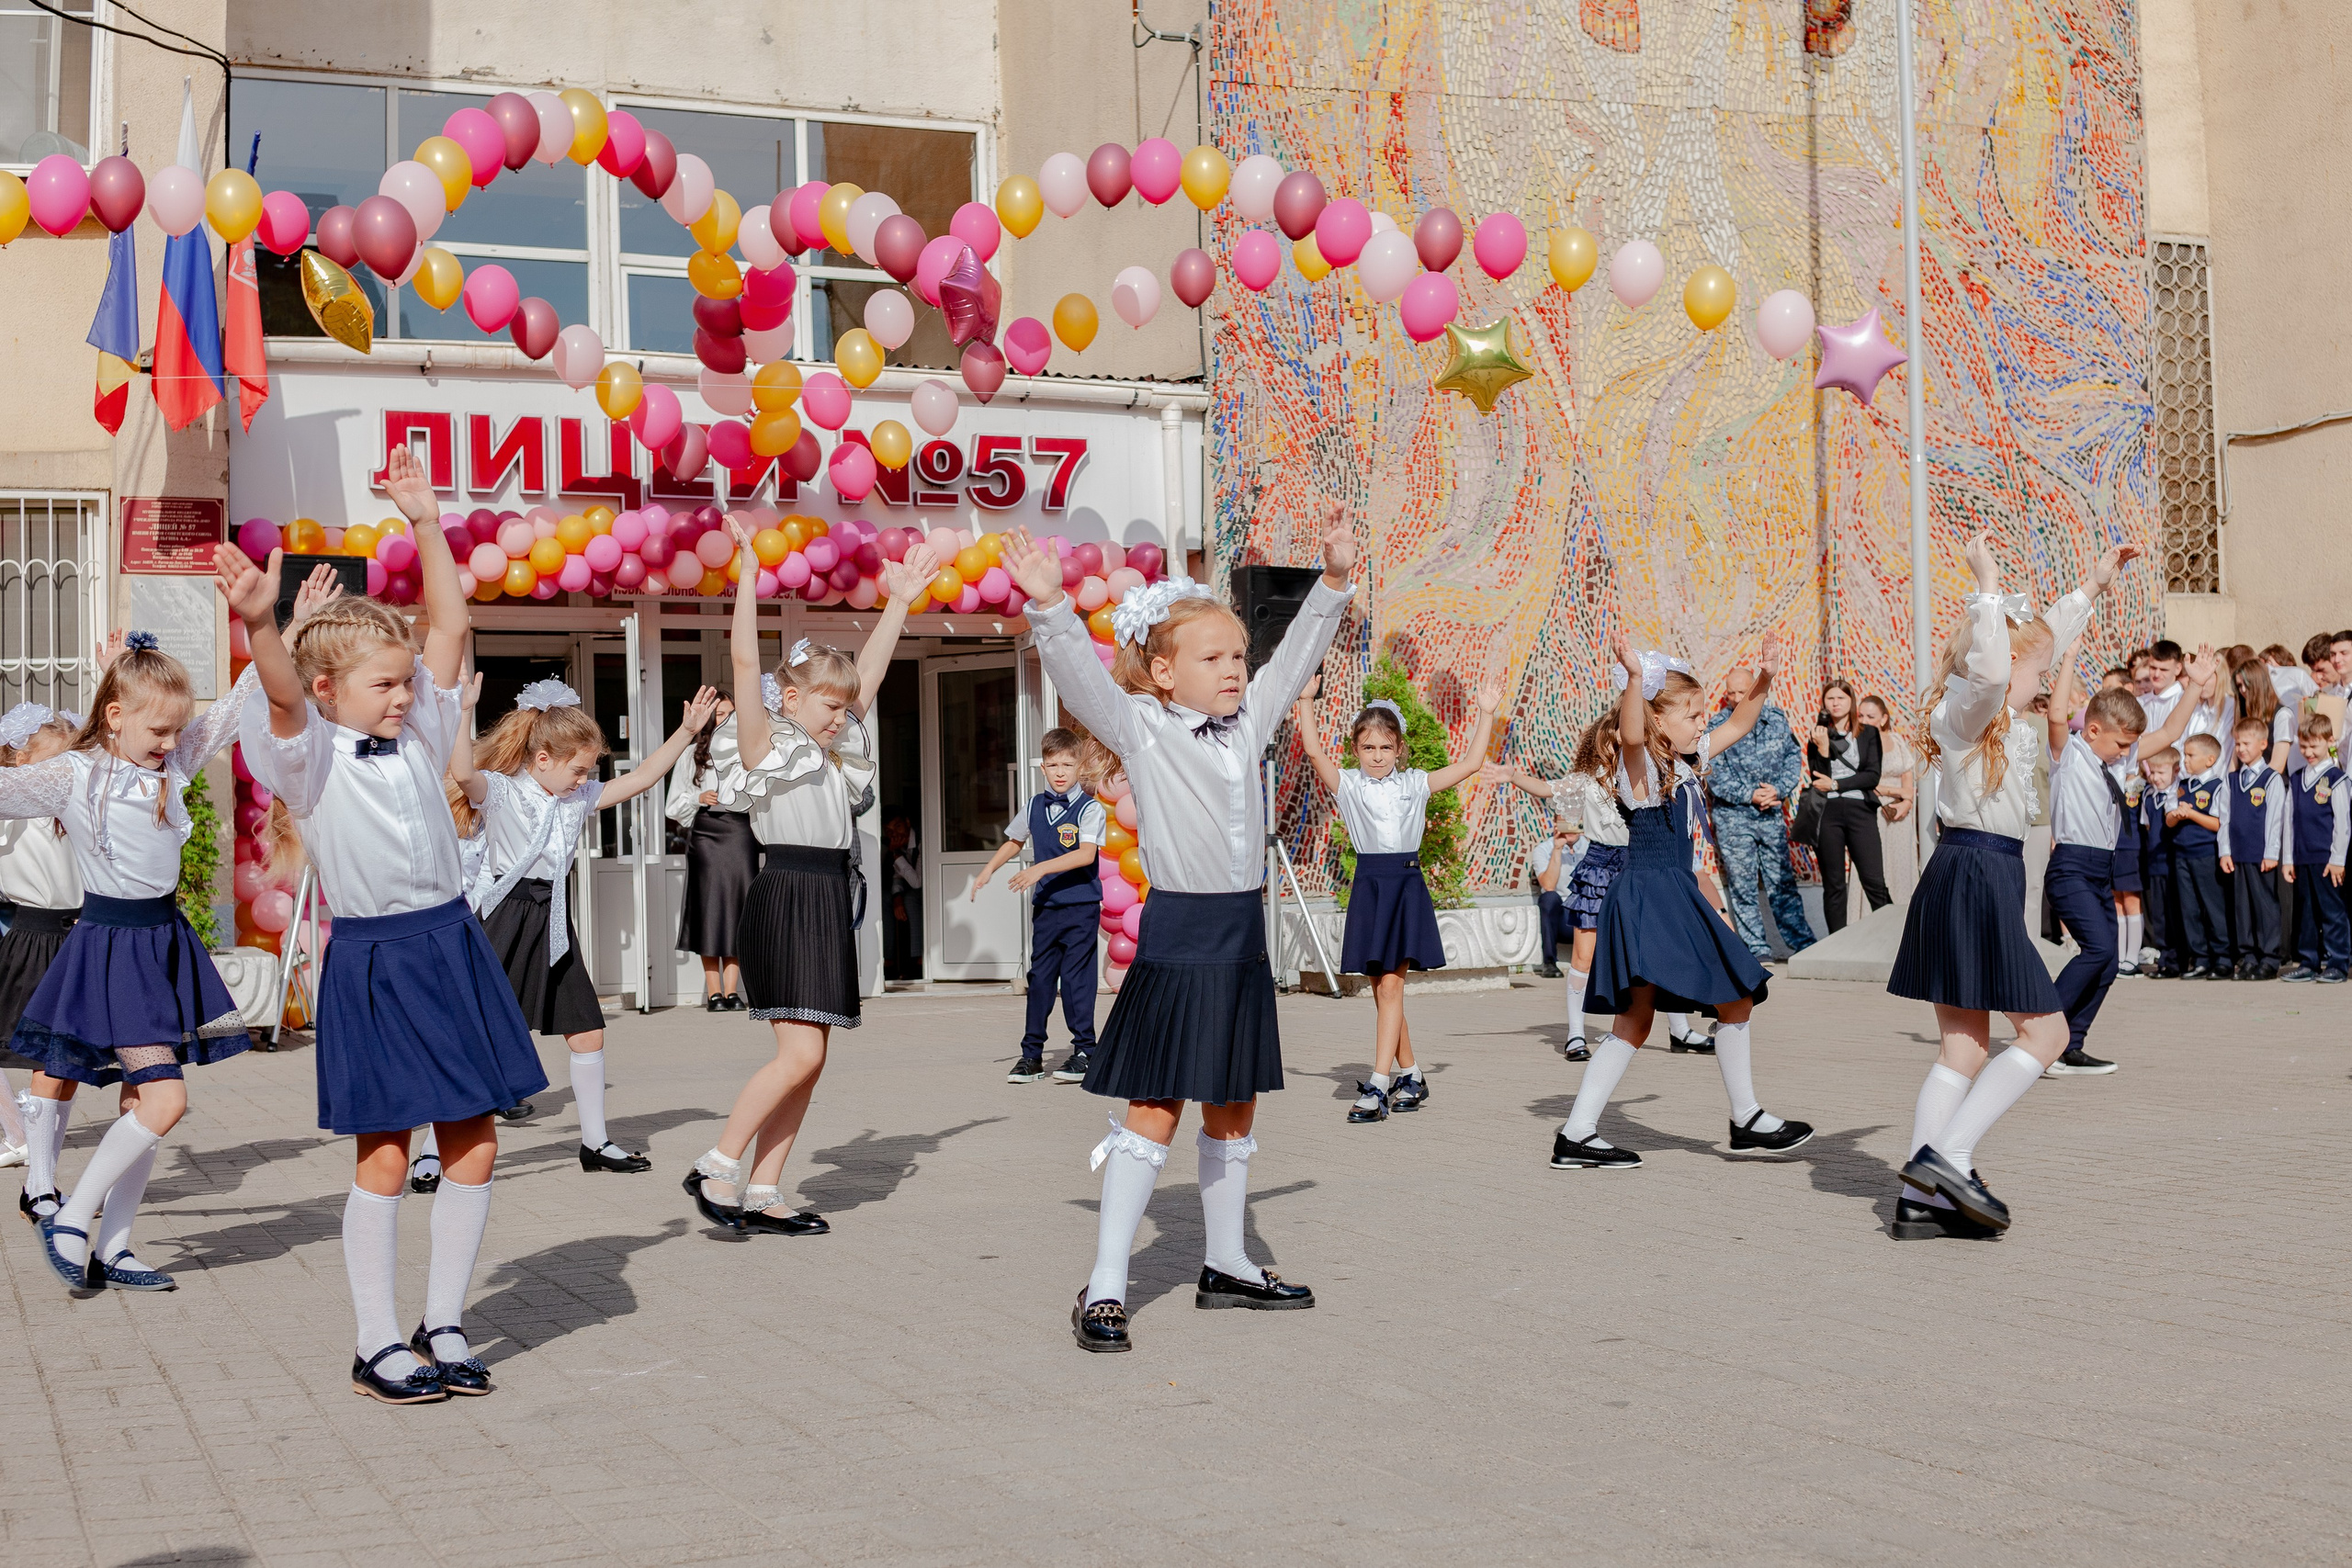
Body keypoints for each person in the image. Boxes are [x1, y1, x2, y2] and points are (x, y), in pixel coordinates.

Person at [228, 450, 550, 1403]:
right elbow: (282, 692)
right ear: (332, 693)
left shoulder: (414, 730)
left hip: (450, 942)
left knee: (476, 1139)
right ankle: (376, 1343)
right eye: (384, 686)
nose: (405, 697)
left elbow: (449, 622)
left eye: (408, 683)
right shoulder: (306, 756)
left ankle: (443, 1320)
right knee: (383, 1152)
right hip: (375, 957)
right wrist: (261, 621)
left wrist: (425, 520)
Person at [999, 509, 1355, 1354]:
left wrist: (1333, 584)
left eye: (1237, 655)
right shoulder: (1144, 728)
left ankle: (1226, 1262)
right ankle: (1107, 1285)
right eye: (1212, 657)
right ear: (1162, 672)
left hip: (1238, 936)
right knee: (1153, 1108)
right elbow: (1084, 688)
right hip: (1178, 932)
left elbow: (1296, 655)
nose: (1234, 669)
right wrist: (1050, 609)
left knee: (1234, 1104)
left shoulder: (1252, 722)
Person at [683, 523, 938, 1239]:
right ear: (788, 699)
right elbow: (741, 656)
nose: (839, 714)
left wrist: (899, 603)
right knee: (800, 1051)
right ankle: (716, 1163)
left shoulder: (833, 747)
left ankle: (765, 1189)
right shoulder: (766, 741)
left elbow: (874, 676)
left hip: (827, 892)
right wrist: (746, 572)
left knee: (813, 1057)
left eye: (841, 704)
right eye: (826, 703)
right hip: (787, 890)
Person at [1, 611, 265, 1295]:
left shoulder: (170, 763)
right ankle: (69, 1217)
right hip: (111, 946)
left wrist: (279, 631)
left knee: (139, 1100)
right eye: (159, 729)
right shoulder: (74, 775)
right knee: (165, 1098)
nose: (173, 741)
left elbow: (235, 709)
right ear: (114, 716)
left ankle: (115, 1245)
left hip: (164, 943)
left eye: (178, 728)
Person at [1890, 536, 2134, 1237]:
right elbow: (2000, 670)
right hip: (1975, 873)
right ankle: (1950, 1158)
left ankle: (1920, 1196)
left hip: (1976, 872)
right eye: (2040, 670)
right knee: (2049, 1031)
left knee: (1963, 1050)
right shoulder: (1970, 706)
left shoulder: (1992, 710)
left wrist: (2091, 585)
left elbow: (2041, 637)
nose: (2043, 680)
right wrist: (1988, 583)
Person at [1548, 638, 1812, 1170]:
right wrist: (1631, 681)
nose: (1701, 721)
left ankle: (1577, 1134)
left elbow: (1738, 723)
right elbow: (1629, 733)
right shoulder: (1639, 768)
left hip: (1668, 892)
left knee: (1637, 1022)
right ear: (1656, 718)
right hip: (1652, 893)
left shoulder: (1688, 759)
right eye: (1691, 714)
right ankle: (1745, 1119)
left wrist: (1764, 679)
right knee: (1733, 995)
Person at [459, 677, 718, 1173]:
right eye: (577, 770)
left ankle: (594, 1144)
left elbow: (642, 778)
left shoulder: (576, 799)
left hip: (553, 919)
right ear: (541, 760)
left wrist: (686, 731)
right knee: (475, 1039)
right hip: (503, 920)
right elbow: (462, 772)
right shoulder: (501, 791)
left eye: (588, 772)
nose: (583, 780)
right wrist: (459, 716)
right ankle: (431, 1151)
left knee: (587, 1034)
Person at [1294, 673, 1500, 1123]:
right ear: (1356, 750)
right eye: (1368, 748)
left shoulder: (1415, 784)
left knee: (1391, 987)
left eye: (1386, 748)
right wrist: (1307, 699)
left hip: (1405, 886)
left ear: (1399, 749)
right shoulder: (1348, 785)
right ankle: (1413, 1074)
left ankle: (1378, 1086)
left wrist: (1485, 713)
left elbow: (1468, 765)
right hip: (1370, 887)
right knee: (1381, 990)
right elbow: (1312, 751)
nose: (1377, 756)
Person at [2040, 656, 2188, 1077]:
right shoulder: (2068, 754)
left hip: (2100, 869)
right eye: (2122, 744)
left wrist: (2193, 686)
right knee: (2102, 949)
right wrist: (2068, 658)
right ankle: (2039, 1031)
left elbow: (2173, 731)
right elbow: (2056, 713)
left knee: (2106, 962)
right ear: (2092, 730)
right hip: (2070, 866)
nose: (2128, 754)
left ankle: (2071, 1044)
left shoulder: (2115, 761)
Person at [971, 727, 1108, 1086]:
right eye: (1052, 764)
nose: (1060, 771)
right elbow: (1015, 840)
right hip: (1047, 907)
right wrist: (987, 870)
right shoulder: (1034, 805)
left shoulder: (1090, 809)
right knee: (1040, 980)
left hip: (1081, 906)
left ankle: (1084, 1052)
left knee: (1078, 980)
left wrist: (1040, 868)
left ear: (1080, 766)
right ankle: (1031, 1056)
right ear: (1042, 768)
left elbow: (1086, 854)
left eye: (1067, 764)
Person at [0, 700, 85, 1189]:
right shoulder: (11, 806)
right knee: (48, 1066)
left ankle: (45, 1176)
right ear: (21, 760)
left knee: (68, 1069)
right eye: (54, 761)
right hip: (33, 940)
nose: (62, 772)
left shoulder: (69, 806)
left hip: (78, 937)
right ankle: (42, 1182)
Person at [1706, 666, 1815, 961]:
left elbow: (1793, 757)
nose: (1737, 697)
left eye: (1743, 691)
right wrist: (1748, 794)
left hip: (1770, 815)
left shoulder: (1777, 720)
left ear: (1755, 690)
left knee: (1782, 881)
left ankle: (1803, 945)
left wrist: (1778, 790)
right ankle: (1757, 949)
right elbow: (1712, 772)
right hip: (1734, 819)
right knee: (1743, 886)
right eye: (1732, 693)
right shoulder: (1717, 725)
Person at [665, 691, 758, 1010]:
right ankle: (714, 994)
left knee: (738, 910)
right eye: (719, 714)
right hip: (706, 834)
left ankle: (733, 993)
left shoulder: (750, 752)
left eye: (731, 713)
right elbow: (673, 805)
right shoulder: (693, 754)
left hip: (740, 834)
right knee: (709, 911)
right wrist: (698, 797)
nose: (726, 720)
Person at [1807, 679, 1890, 932]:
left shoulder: (1868, 733)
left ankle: (1894, 939)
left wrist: (1836, 785)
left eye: (1841, 698)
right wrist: (1822, 749)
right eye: (1830, 698)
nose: (1835, 703)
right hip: (1828, 813)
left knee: (1873, 880)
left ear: (1851, 701)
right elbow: (1817, 778)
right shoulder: (1817, 734)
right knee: (1834, 884)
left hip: (1860, 811)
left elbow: (1872, 775)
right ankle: (1837, 942)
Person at [2281, 713, 2350, 982]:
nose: (2308, 752)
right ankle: (2308, 961)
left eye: (2314, 746)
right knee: (2306, 912)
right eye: (2304, 746)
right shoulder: (2297, 780)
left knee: (2332, 911)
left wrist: (2338, 859)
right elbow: (2290, 822)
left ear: (2330, 741)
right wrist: (2288, 859)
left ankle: (2338, 962)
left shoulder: (2337, 779)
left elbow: (2343, 824)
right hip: (2302, 857)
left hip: (2327, 859)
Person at [2218, 716, 2286, 979]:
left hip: (2261, 854)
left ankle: (2269, 957)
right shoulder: (2232, 779)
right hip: (2238, 853)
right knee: (2242, 907)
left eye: (2246, 743)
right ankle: (2248, 956)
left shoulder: (2271, 779)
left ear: (2262, 744)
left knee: (2265, 905)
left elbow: (2275, 819)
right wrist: (2225, 850)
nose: (2241, 748)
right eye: (2237, 744)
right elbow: (2224, 818)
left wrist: (2271, 852)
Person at [2168, 734, 2229, 978]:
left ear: (2210, 759)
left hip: (2206, 854)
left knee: (2213, 907)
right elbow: (2169, 818)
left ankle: (2223, 958)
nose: (2186, 761)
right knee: (2189, 908)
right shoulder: (2182, 785)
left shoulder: (2217, 786)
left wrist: (2191, 815)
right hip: (2182, 854)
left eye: (2191, 755)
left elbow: (2218, 823)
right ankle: (2200, 958)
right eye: (2185, 755)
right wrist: (2178, 814)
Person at [1861, 694, 1921, 903]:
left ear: (1884, 718)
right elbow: (1863, 782)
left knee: (1901, 864)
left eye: (1870, 716)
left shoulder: (1896, 740)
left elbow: (1908, 777)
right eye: (1860, 716)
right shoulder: (1857, 744)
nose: (1864, 720)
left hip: (1900, 814)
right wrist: (1894, 791)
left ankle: (1903, 919)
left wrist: (1907, 802)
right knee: (1875, 866)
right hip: (1871, 811)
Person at [2139, 746, 2184, 976]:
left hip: (2174, 863)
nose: (2155, 778)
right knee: (2159, 914)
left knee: (2175, 912)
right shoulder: (2148, 795)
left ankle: (2178, 959)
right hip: (2155, 862)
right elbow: (2147, 826)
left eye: (2161, 773)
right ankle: (2165, 957)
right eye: (2152, 772)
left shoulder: (2180, 793)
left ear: (2176, 771)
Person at [1529, 818, 1583, 979]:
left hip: (1586, 912)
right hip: (1562, 918)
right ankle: (1549, 963)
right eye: (1565, 821)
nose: (1570, 826)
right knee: (1549, 898)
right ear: (1556, 824)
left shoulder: (1592, 848)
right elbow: (1548, 885)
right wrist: (1557, 849)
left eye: (1575, 820)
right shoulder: (1543, 850)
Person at [881, 813, 922, 981]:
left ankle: (917, 963)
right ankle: (888, 962)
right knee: (886, 899)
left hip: (933, 889)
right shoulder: (895, 845)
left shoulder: (920, 839)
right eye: (889, 831)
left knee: (911, 898)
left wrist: (897, 856)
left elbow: (917, 882)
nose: (895, 835)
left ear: (907, 821)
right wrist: (896, 896)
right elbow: (896, 877)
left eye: (897, 827)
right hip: (910, 888)